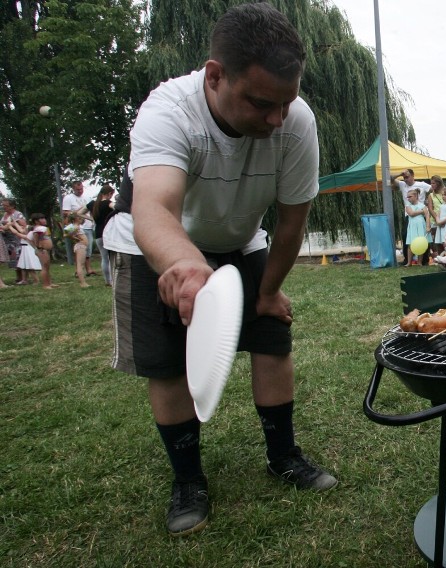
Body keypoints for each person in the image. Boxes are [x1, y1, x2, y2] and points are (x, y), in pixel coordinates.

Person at [102, 3, 336, 537]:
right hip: (154, 246)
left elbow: (292, 222)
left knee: (273, 337)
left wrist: (269, 291)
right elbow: (154, 210)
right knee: (167, 364)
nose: (278, 119)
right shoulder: (168, 110)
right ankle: (188, 480)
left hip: (238, 237)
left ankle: (284, 457)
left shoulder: (295, 122)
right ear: (215, 76)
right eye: (261, 103)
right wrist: (185, 266)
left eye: (287, 102)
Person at [394, 168, 430, 266]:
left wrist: (429, 202)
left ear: (413, 176)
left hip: (421, 218)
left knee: (423, 238)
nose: (405, 179)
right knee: (407, 236)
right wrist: (399, 174)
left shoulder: (422, 184)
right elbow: (390, 178)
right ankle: (407, 260)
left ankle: (423, 260)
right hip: (410, 217)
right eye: (404, 177)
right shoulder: (402, 184)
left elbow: (432, 189)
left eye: (407, 177)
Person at [9, 213, 56, 289]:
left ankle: (49, 283)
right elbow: (36, 235)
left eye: (44, 218)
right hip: (41, 250)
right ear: (36, 221)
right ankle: (46, 284)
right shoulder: (39, 229)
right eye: (41, 219)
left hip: (43, 250)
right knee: (44, 267)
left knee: (47, 267)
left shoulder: (40, 228)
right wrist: (38, 245)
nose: (44, 220)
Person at [62, 180, 96, 276]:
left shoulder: (87, 197)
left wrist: (92, 219)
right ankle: (79, 270)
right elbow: (65, 212)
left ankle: (88, 269)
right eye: (78, 189)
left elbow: (91, 210)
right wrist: (79, 211)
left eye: (81, 189)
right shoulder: (69, 198)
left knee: (88, 248)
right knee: (80, 248)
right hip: (77, 226)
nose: (80, 191)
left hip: (88, 225)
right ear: (73, 189)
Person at [87, 184, 116, 286]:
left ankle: (107, 281)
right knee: (112, 258)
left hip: (98, 233)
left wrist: (92, 219)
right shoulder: (108, 203)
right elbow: (118, 207)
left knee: (104, 258)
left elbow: (79, 212)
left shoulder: (92, 204)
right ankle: (113, 280)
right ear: (109, 193)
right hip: (109, 232)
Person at [1, 198, 26, 284]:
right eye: (3, 205)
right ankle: (18, 277)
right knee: (13, 259)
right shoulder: (5, 215)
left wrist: (10, 225)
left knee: (19, 257)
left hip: (16, 239)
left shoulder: (18, 214)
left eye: (6, 205)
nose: (4, 207)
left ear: (12, 206)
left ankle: (23, 278)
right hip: (7, 240)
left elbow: (23, 225)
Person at [8, 217, 41, 284]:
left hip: (28, 251)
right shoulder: (28, 233)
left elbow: (17, 232)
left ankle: (36, 280)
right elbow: (20, 230)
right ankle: (24, 280)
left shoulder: (27, 236)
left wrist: (10, 226)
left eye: (25, 229)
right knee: (23, 266)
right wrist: (14, 223)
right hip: (25, 250)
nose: (23, 229)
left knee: (30, 267)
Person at [63, 213, 91, 288]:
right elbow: (65, 234)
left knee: (81, 264)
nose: (80, 218)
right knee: (80, 264)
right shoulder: (75, 226)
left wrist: (73, 236)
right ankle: (82, 283)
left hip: (82, 245)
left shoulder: (78, 226)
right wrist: (74, 237)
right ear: (75, 219)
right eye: (79, 217)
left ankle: (83, 282)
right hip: (80, 246)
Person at [404, 188, 430, 266]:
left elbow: (427, 215)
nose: (408, 198)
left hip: (421, 225)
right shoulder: (408, 206)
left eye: (410, 196)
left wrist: (428, 225)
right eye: (407, 197)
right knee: (410, 244)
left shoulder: (422, 205)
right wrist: (422, 211)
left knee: (420, 243)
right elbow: (411, 213)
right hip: (412, 226)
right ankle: (409, 262)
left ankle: (419, 262)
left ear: (415, 196)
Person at [425, 175, 445, 257]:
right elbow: (430, 208)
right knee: (436, 241)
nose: (431, 185)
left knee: (444, 240)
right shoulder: (431, 195)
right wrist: (437, 218)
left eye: (433, 183)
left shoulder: (445, 192)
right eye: (431, 183)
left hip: (445, 219)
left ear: (438, 183)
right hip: (435, 221)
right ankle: (438, 257)